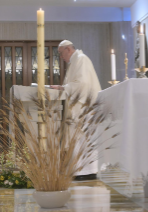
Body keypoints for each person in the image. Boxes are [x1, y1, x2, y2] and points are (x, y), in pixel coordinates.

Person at [50, 40, 101, 180]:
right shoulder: (75, 61)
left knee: (83, 139)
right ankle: (79, 170)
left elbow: (82, 84)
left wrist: (63, 88)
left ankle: (86, 172)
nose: (61, 57)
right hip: (79, 106)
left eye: (61, 53)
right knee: (78, 139)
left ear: (68, 49)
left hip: (84, 107)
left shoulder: (81, 59)